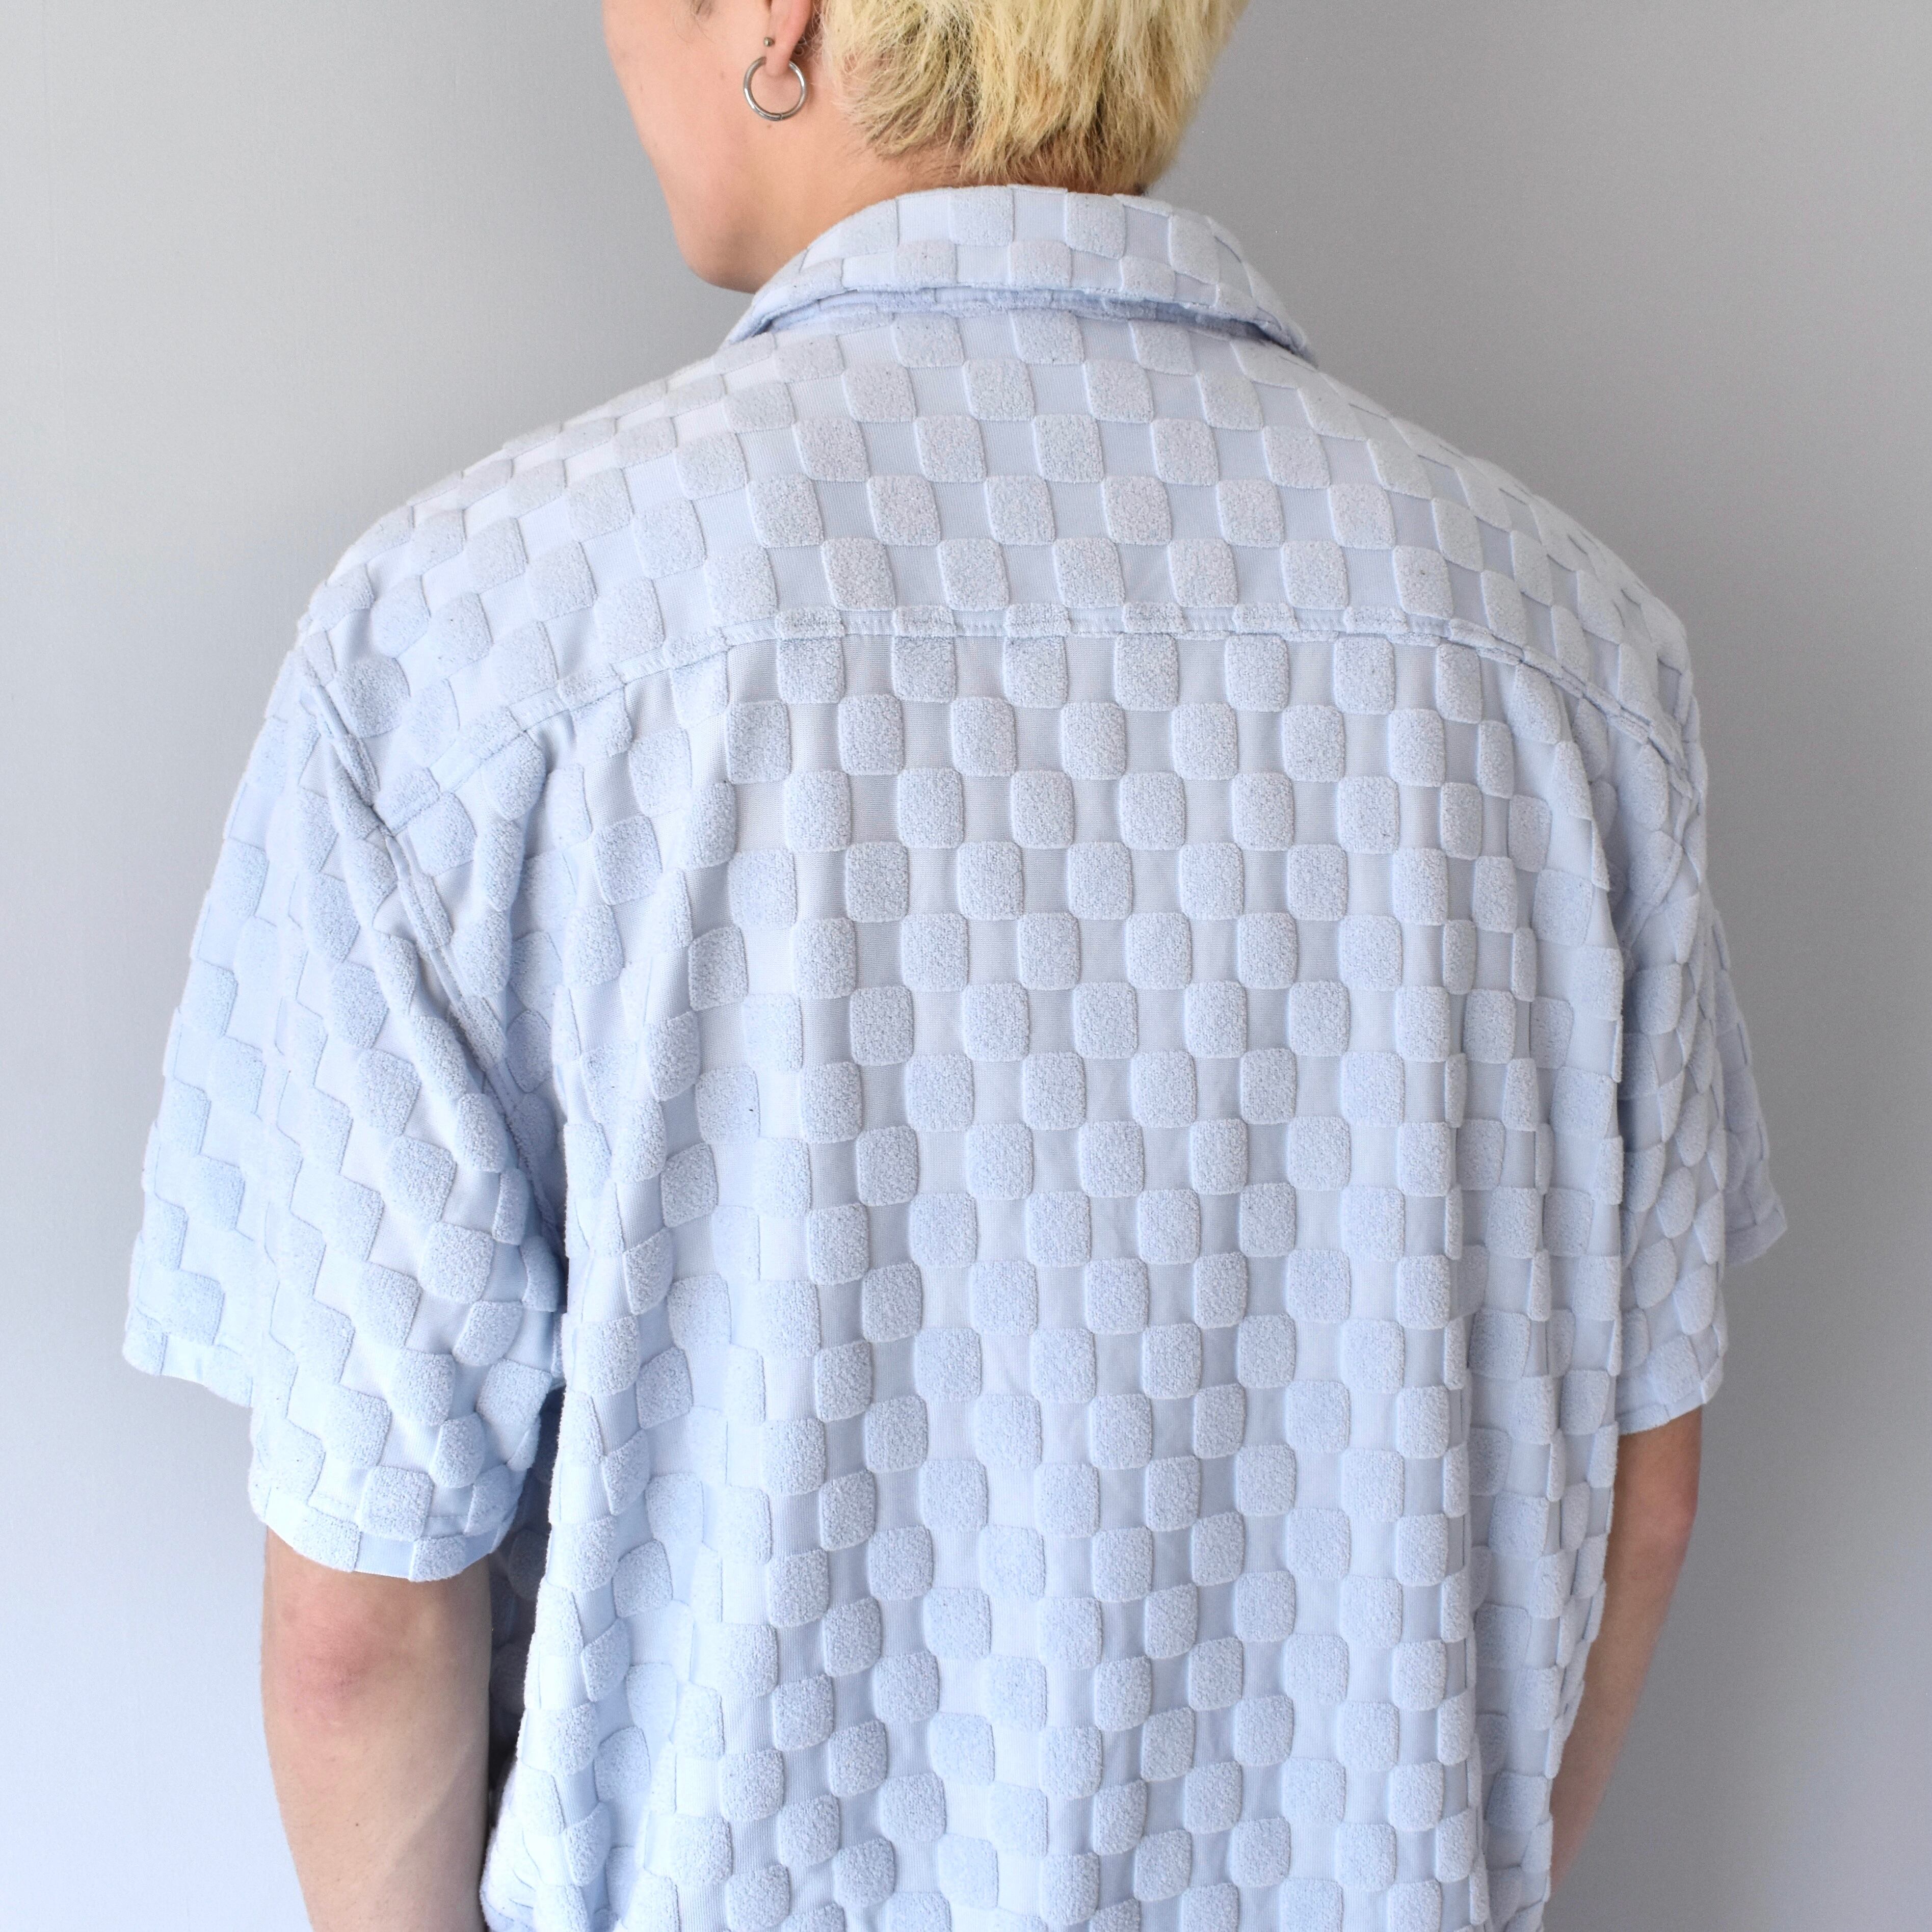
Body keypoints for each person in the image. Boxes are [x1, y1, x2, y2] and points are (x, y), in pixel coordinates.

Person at [120, 2, 1787, 1929]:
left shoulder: (462, 644)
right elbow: (1643, 1491)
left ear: (781, 14)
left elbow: (364, 1610)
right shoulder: (1569, 656)